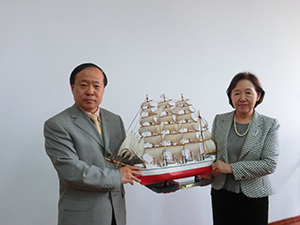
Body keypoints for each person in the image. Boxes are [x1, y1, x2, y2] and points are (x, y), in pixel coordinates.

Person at [44, 63, 143, 225]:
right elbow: (71, 171)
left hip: (116, 214)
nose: (90, 91)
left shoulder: (115, 120)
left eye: (96, 86)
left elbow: (125, 159)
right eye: (83, 85)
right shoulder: (57, 124)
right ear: (72, 87)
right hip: (82, 217)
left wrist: (159, 178)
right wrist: (117, 176)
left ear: (103, 89)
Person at [210, 72, 280, 225]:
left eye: (248, 92)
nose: (242, 98)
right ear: (231, 96)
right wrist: (201, 171)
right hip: (222, 194)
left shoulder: (269, 125)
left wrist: (230, 168)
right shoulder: (220, 120)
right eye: (237, 93)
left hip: (254, 196)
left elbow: (269, 164)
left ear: (258, 95)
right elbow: (212, 154)